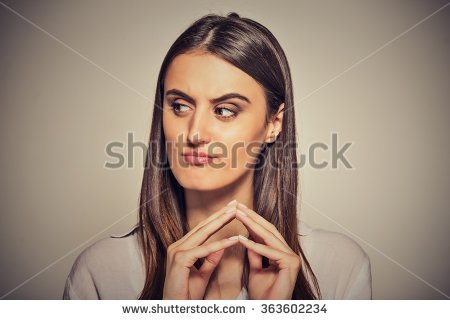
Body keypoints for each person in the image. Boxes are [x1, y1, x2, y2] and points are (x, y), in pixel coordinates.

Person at [63, 12, 371, 300]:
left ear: (274, 123)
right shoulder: (102, 271)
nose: (195, 134)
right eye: (180, 106)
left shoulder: (338, 266)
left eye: (225, 111)